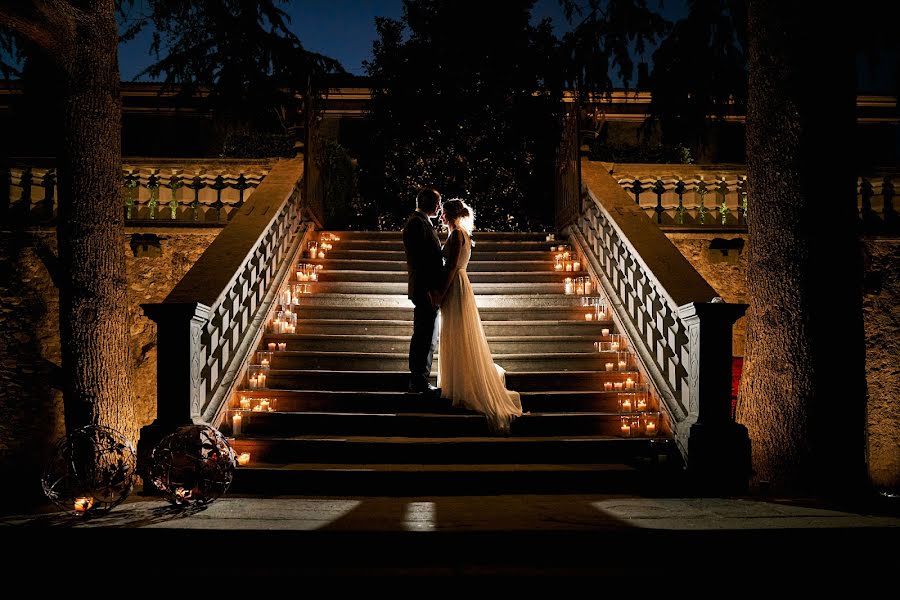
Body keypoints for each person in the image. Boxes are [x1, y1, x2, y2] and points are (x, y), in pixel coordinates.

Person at [433, 199, 523, 433]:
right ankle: (457, 383)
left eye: (443, 214)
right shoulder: (463, 234)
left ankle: (460, 387)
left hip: (455, 286)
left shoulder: (456, 236)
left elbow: (451, 267)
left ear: (448, 215)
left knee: (456, 332)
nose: (441, 217)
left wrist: (440, 293)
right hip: (462, 285)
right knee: (457, 332)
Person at [401, 187, 444, 395]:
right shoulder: (416, 223)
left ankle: (420, 379)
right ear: (426, 201)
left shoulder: (421, 222)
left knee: (427, 335)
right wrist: (429, 289)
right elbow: (421, 260)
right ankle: (418, 380)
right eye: (437, 201)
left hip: (426, 288)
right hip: (424, 289)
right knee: (424, 336)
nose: (439, 206)